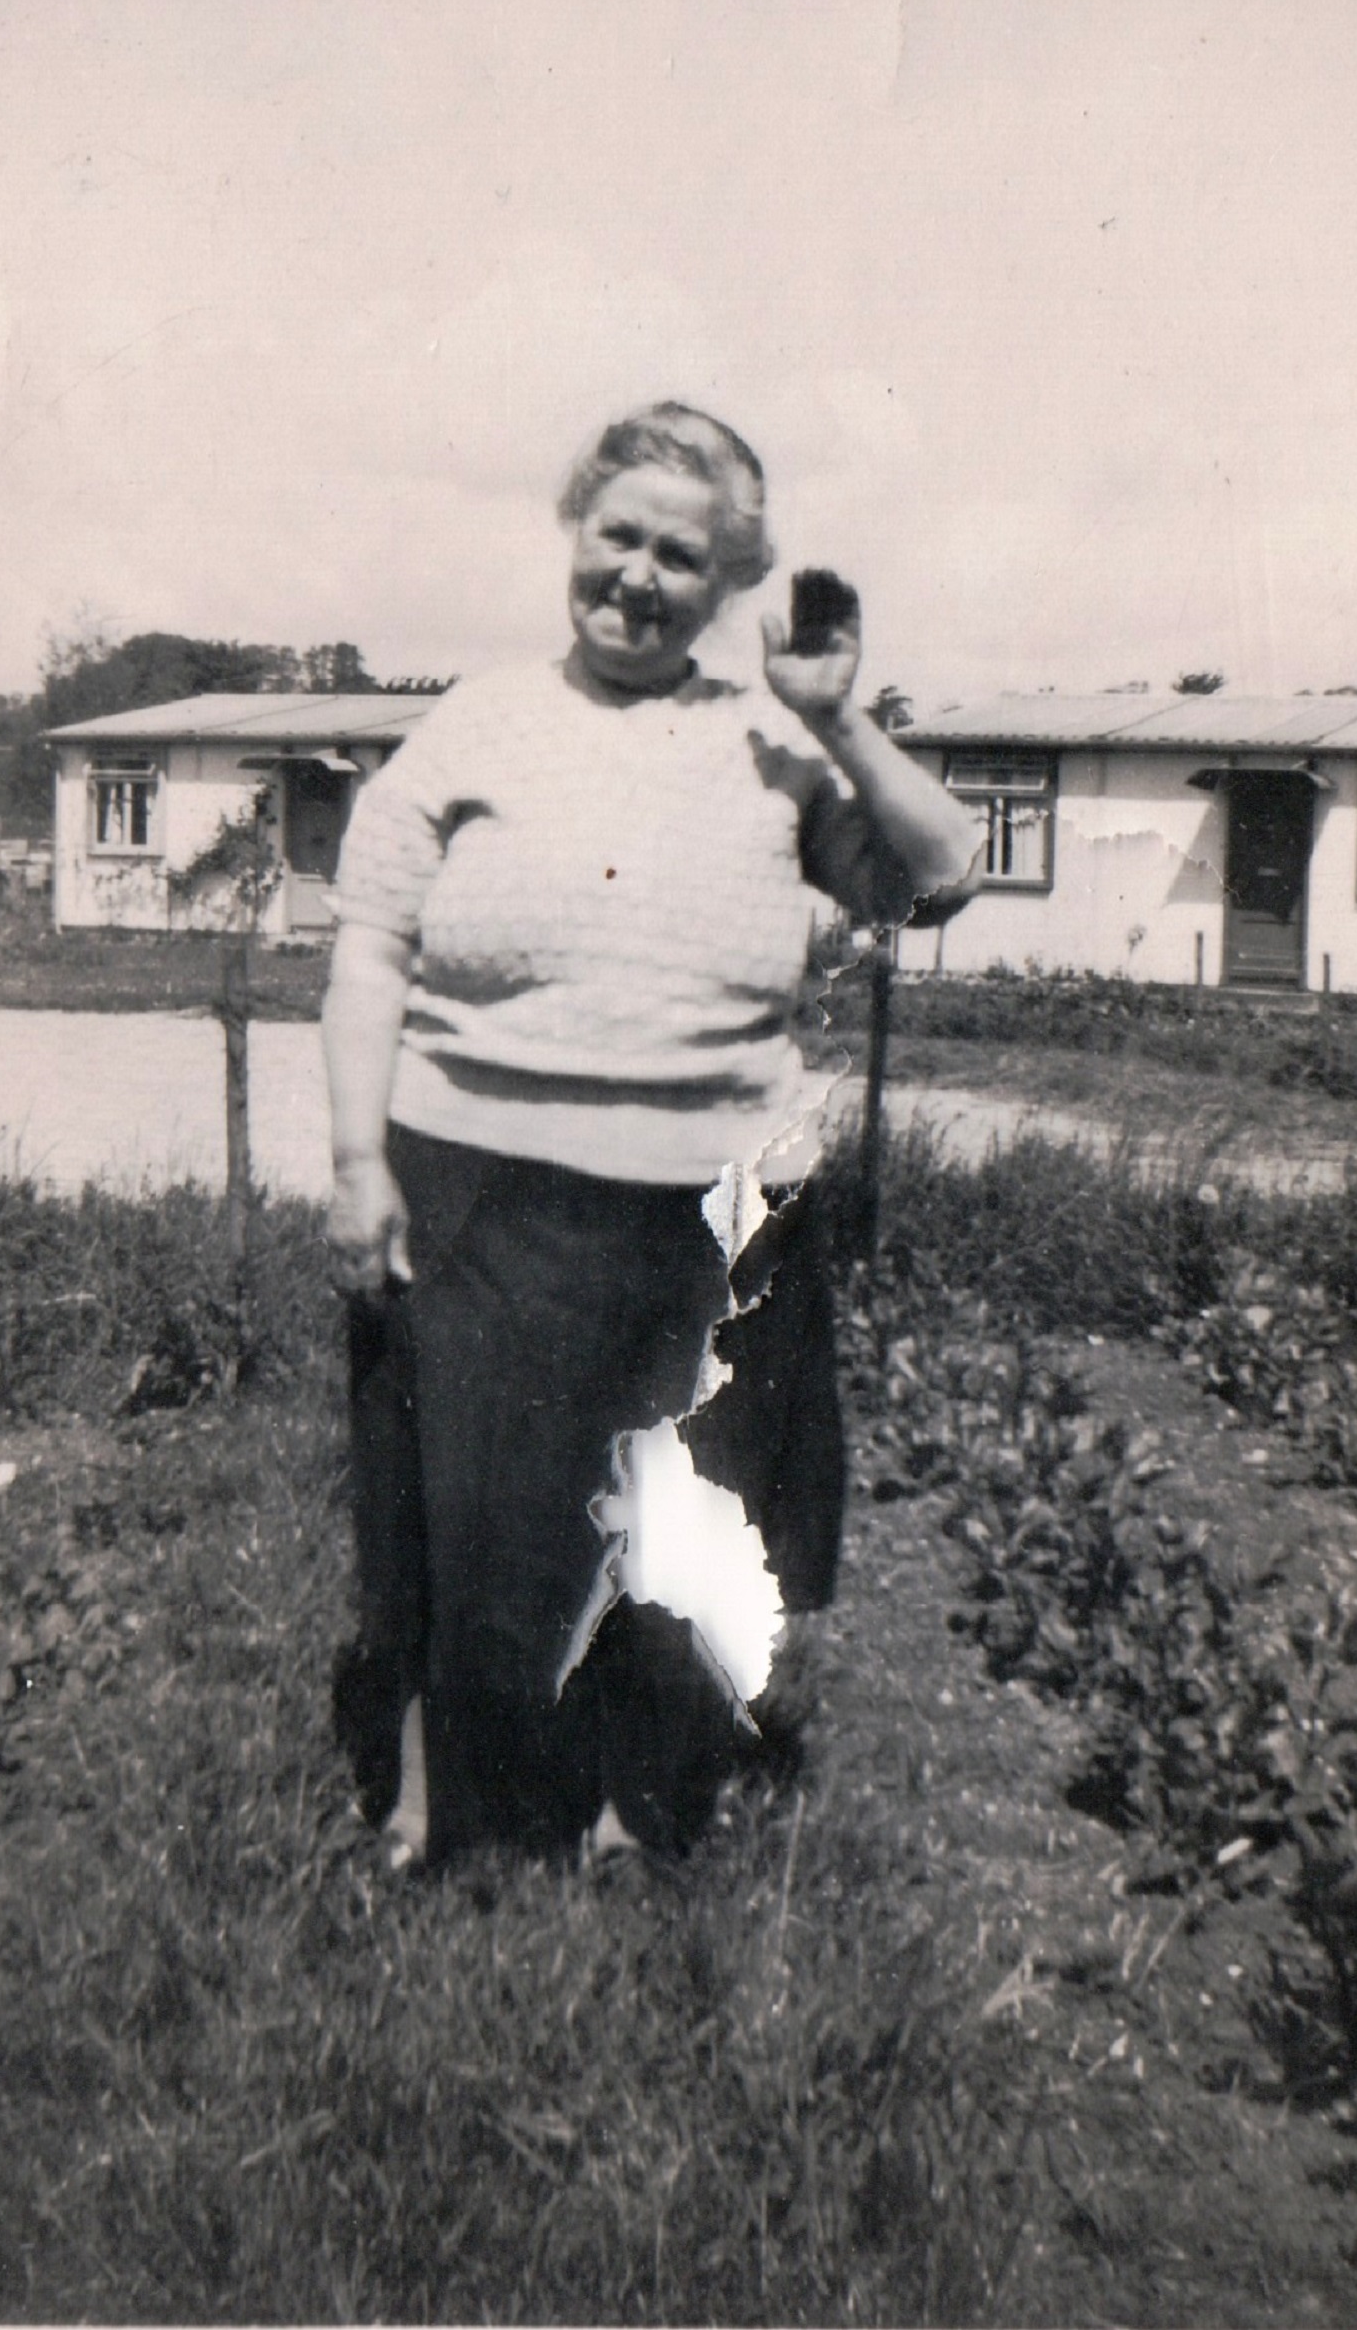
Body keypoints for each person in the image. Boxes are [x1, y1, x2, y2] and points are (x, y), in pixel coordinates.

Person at [323, 401, 978, 1870]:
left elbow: (938, 885)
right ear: (575, 529)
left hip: (714, 1206)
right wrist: (360, 1162)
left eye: (682, 556)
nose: (637, 576)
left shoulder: (778, 744)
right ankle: (440, 1818)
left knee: (685, 1525)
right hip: (479, 1188)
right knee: (462, 1521)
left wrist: (838, 718)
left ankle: (638, 1817)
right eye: (616, 534)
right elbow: (370, 944)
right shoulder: (474, 722)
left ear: (732, 584)